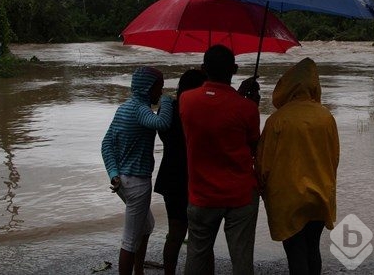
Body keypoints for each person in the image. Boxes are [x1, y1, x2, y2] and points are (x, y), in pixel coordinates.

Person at [179, 45, 261, 275]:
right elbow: (254, 146)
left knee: (197, 256)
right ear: (234, 69)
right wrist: (249, 102)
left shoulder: (186, 100)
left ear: (203, 69)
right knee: (242, 259)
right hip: (240, 195)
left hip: (201, 194)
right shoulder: (246, 108)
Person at [256, 58, 339, 275]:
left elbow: (264, 164)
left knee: (295, 252)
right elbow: (334, 158)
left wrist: (261, 189)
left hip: (288, 198)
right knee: (313, 247)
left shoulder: (277, 120)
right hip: (320, 193)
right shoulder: (326, 117)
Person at [101, 66, 174, 275]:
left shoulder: (124, 108)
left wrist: (113, 173)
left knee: (147, 225)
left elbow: (106, 143)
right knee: (130, 239)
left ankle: (139, 270)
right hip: (138, 182)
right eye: (158, 88)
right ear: (147, 88)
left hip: (122, 181)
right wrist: (168, 101)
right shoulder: (141, 110)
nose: (160, 92)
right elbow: (163, 123)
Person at [155, 69, 207, 275]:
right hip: (196, 176)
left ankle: (169, 272)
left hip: (171, 176)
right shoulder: (201, 111)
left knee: (175, 232)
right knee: (199, 234)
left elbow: (164, 134)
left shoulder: (169, 110)